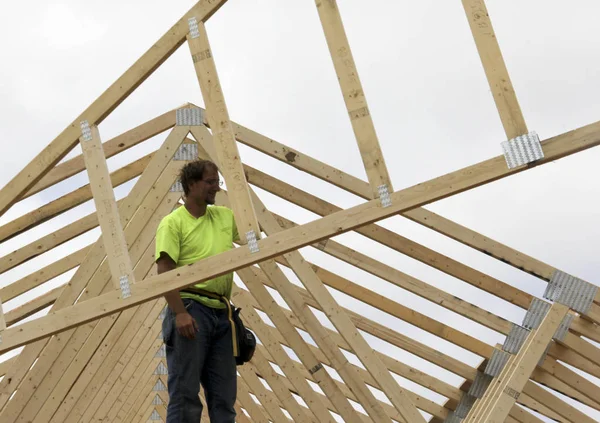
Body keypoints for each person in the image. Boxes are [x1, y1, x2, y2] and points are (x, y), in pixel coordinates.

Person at [155, 159, 239, 422]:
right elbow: (165, 271)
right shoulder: (173, 223)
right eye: (210, 182)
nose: (216, 188)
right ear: (191, 185)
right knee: (185, 394)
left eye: (218, 182)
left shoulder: (224, 216)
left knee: (224, 397)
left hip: (221, 313)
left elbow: (252, 236)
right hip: (192, 309)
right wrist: (179, 313)